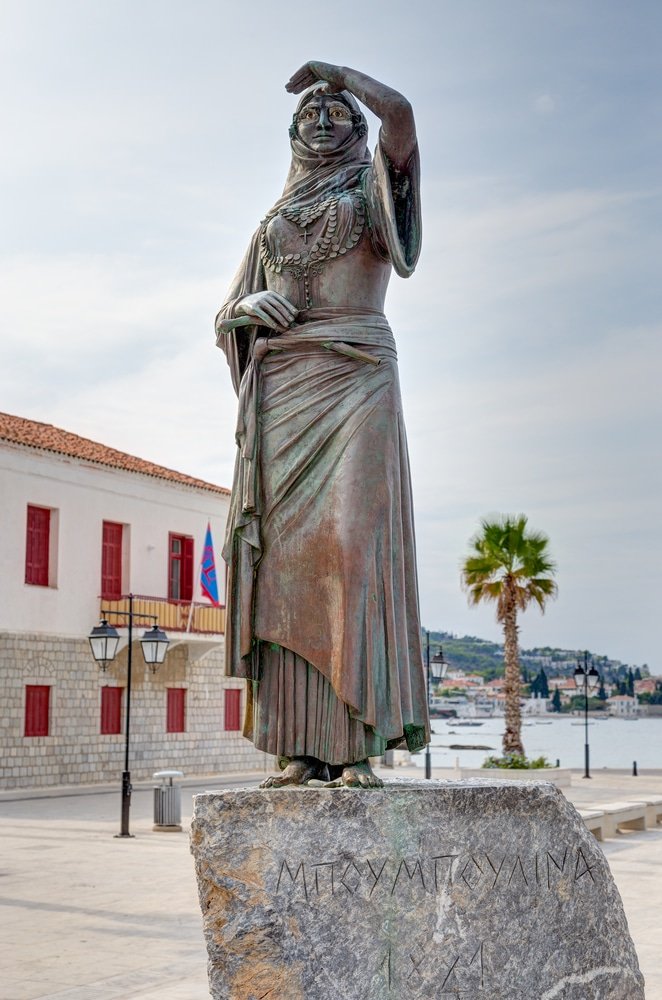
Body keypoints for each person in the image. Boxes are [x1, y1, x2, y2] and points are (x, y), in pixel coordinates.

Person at [215, 61, 428, 788]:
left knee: (353, 549)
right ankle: (300, 747)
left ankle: (359, 744)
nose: (322, 116)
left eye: (337, 110)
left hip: (359, 372)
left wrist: (340, 74)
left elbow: (400, 116)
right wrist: (245, 312)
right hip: (284, 386)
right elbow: (228, 311)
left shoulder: (372, 188)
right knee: (287, 563)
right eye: (310, 110)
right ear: (293, 132)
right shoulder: (271, 221)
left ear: (356, 126)